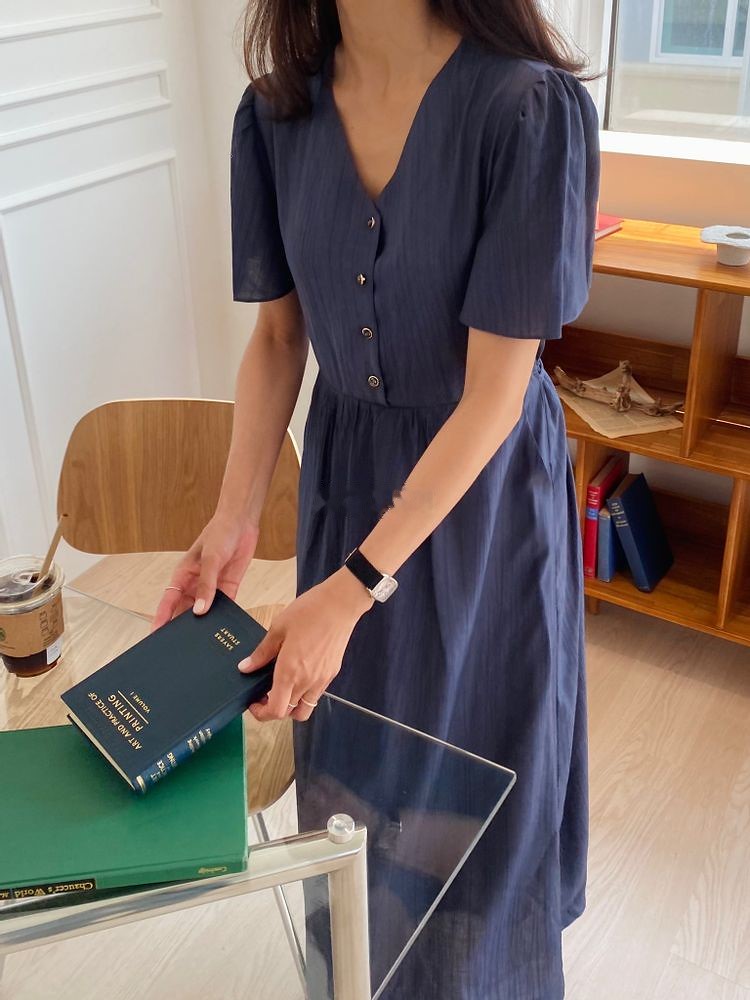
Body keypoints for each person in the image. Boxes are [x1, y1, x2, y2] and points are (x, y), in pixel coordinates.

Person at [151, 2, 602, 996]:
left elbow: (496, 395)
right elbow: (280, 339)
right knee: (356, 782)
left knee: (479, 780)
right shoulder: (276, 113)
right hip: (347, 482)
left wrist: (353, 588)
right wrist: (232, 517)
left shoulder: (526, 109)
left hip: (482, 500)